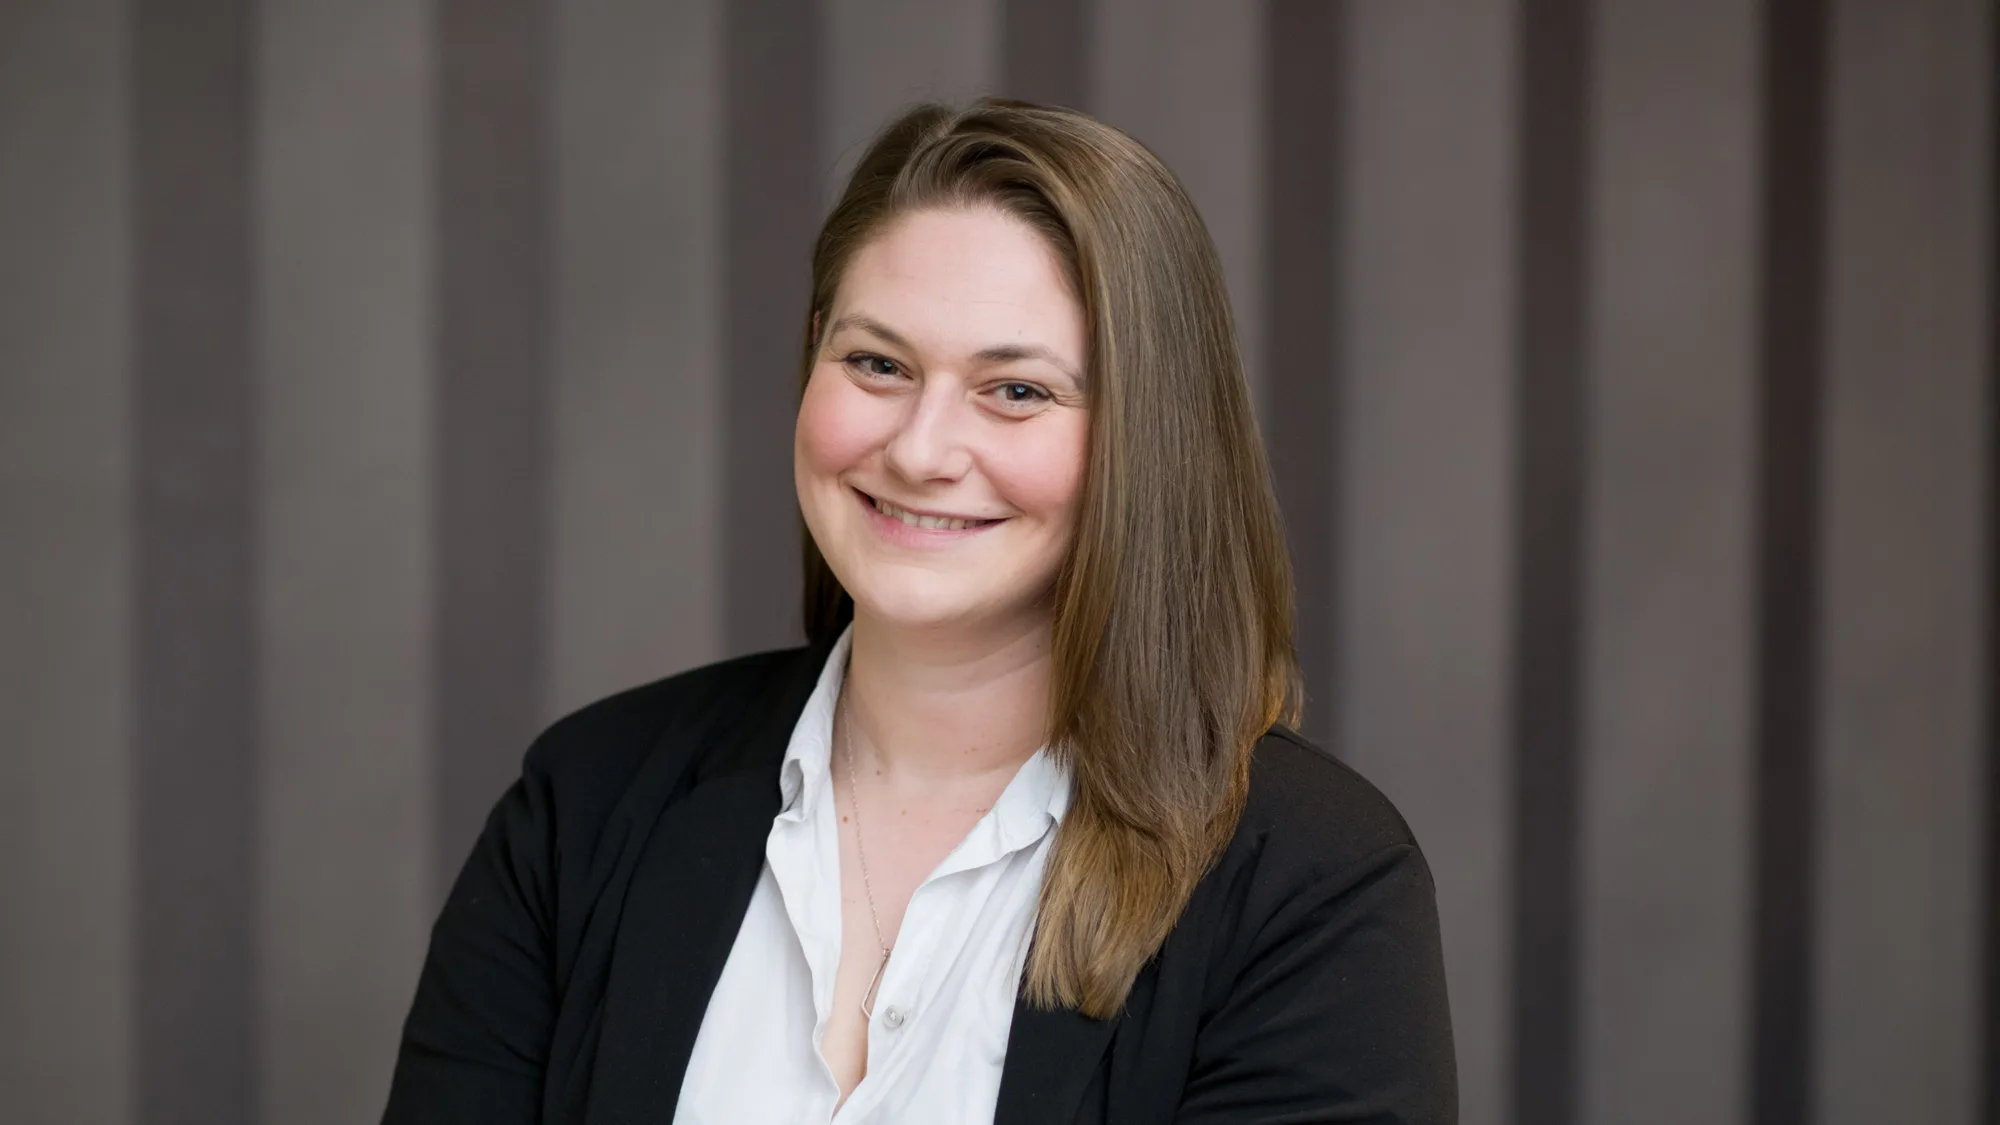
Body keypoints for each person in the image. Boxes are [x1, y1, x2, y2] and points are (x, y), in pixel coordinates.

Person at [382, 98, 1456, 1125]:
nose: (919, 449)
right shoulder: (586, 802)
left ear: (1148, 436)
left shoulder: (1311, 885)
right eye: (877, 364)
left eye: (1016, 390)